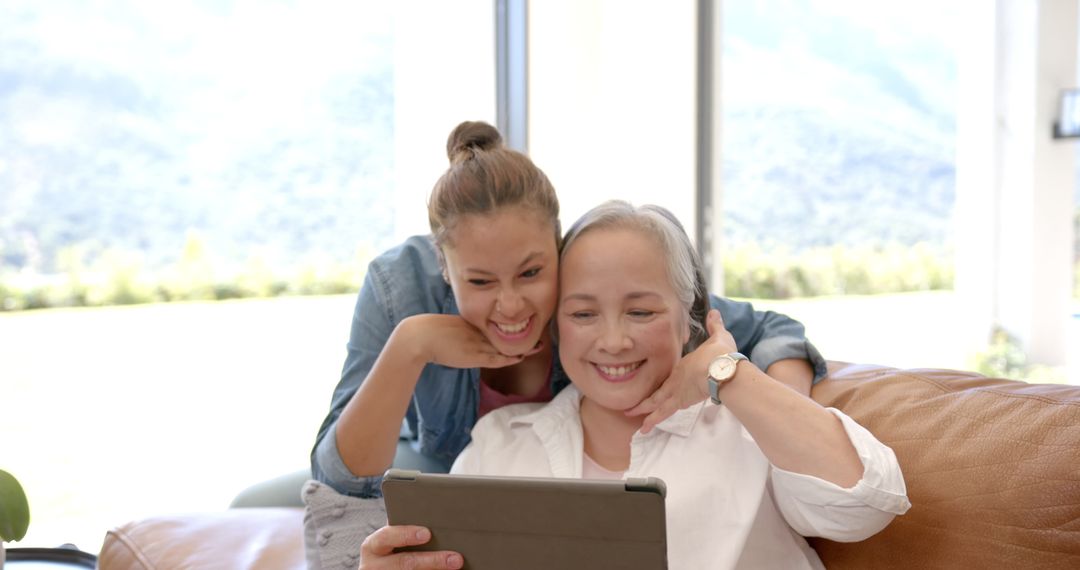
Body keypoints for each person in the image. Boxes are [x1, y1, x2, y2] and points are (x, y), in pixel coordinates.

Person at [314, 121, 826, 561]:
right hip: (429, 464)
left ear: (557, 245)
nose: (511, 305)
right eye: (480, 282)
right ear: (444, 269)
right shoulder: (399, 288)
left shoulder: (590, 282)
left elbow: (772, 332)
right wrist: (410, 346)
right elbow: (345, 480)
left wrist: (772, 428)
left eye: (532, 272)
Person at [445, 201, 911, 569]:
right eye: (583, 314)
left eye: (641, 311)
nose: (614, 341)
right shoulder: (499, 445)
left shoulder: (748, 431)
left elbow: (866, 503)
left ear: (688, 321)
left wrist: (732, 373)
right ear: (555, 325)